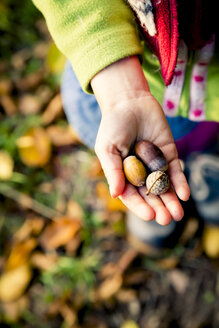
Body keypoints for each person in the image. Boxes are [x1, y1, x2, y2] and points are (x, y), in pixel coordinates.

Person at [33, 0, 219, 247]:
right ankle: (161, 197)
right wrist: (115, 80)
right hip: (117, 72)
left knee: (204, 140)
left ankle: (206, 170)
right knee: (126, 142)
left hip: (211, 99)